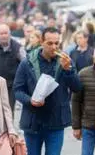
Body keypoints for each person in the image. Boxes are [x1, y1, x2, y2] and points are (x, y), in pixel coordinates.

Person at [13, 27, 81, 155]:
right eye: (50, 43)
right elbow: (17, 90)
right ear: (42, 42)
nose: (54, 47)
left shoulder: (66, 61)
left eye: (57, 43)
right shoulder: (27, 62)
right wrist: (30, 100)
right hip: (33, 121)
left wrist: (68, 70)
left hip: (56, 121)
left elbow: (76, 88)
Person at [0, 24, 26, 111]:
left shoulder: (18, 47)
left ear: (9, 34)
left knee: (9, 109)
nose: (4, 35)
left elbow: (25, 64)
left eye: (6, 33)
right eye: (1, 33)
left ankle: (9, 125)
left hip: (11, 85)